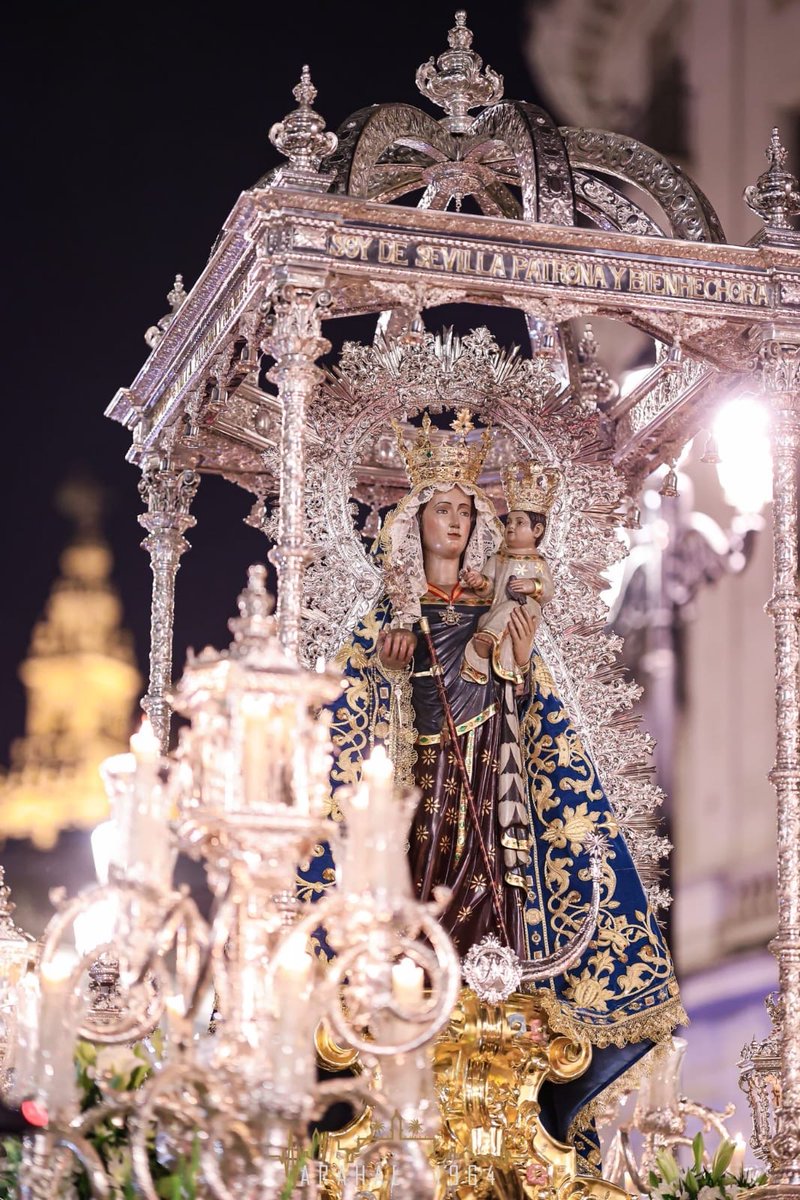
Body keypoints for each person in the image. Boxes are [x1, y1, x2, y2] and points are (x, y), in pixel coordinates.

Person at [313, 410, 684, 1171]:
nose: (456, 521)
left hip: (492, 765)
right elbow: (352, 719)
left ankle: (495, 978)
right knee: (427, 877)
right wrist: (389, 664)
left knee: (497, 877)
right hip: (417, 777)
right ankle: (419, 979)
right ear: (413, 523)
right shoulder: (386, 612)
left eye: (464, 509)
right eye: (443, 509)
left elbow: (528, 691)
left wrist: (507, 634)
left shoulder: (492, 605)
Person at [461, 463, 557, 686]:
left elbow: (548, 590)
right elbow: (488, 586)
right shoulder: (498, 558)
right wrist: (478, 581)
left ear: (537, 531)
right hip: (496, 612)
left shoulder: (538, 562)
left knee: (510, 610)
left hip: (526, 611)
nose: (511, 527)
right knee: (489, 618)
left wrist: (533, 585)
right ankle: (490, 664)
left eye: (519, 522)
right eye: (509, 522)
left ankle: (488, 640)